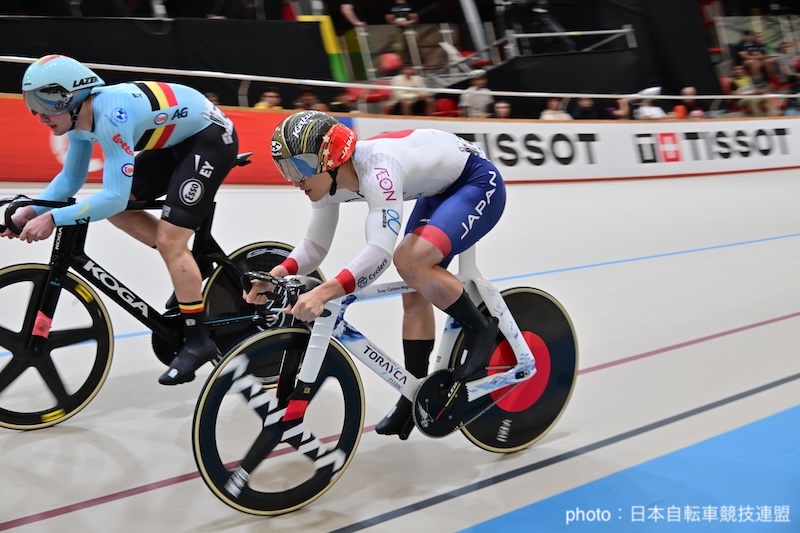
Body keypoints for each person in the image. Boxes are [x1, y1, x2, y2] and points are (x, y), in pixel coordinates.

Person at [246, 110, 506, 440]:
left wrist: (323, 293)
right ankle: (413, 394)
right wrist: (277, 274)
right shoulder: (327, 179)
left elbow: (381, 254)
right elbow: (314, 245)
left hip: (476, 182)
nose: (295, 180)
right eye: (286, 169)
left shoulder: (378, 170)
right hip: (438, 190)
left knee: (410, 262)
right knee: (415, 296)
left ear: (331, 157)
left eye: (299, 168)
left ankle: (481, 329)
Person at [3, 54, 239, 386]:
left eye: (47, 100)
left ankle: (198, 341)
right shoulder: (78, 121)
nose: (39, 113)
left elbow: (112, 194)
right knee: (123, 212)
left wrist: (54, 218)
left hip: (209, 139)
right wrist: (30, 211)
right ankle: (192, 265)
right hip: (175, 140)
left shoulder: (111, 113)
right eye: (31, 101)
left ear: (74, 95)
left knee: (170, 239)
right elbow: (71, 180)